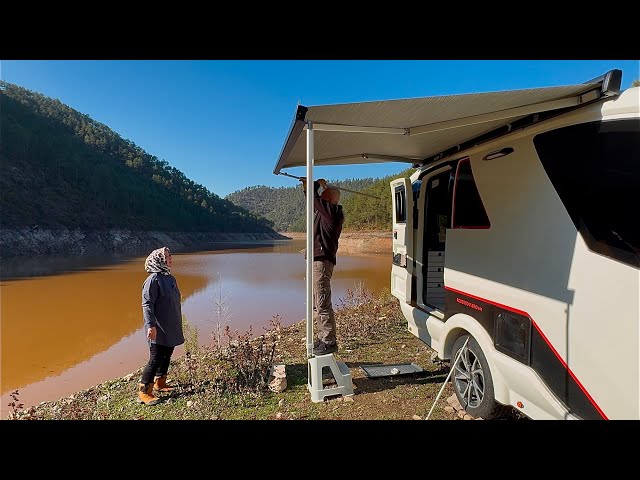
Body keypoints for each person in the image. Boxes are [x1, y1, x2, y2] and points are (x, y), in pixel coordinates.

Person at [300, 177, 345, 356]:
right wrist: (308, 188)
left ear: (331, 200)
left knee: (322, 303)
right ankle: (322, 337)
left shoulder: (333, 212)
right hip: (316, 261)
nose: (321, 200)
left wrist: (315, 185)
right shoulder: (325, 211)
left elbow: (315, 199)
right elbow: (313, 202)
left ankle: (329, 341)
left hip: (322, 263)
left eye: (324, 198)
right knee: (315, 304)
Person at [137, 246, 185, 406]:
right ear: (158, 260)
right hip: (157, 327)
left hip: (170, 325)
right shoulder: (153, 280)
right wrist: (151, 325)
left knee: (168, 353)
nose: (170, 258)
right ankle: (144, 391)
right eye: (166, 256)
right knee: (156, 357)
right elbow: (147, 304)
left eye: (170, 255)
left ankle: (160, 382)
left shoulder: (170, 278)